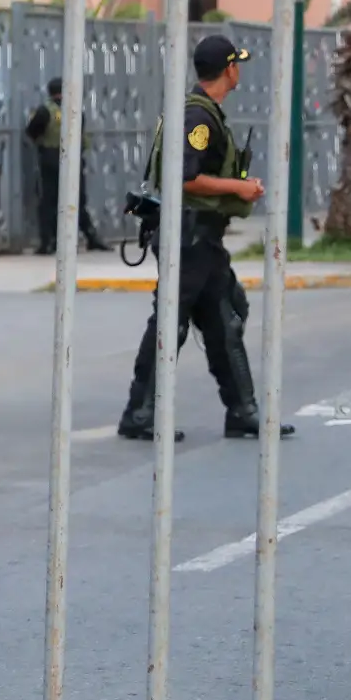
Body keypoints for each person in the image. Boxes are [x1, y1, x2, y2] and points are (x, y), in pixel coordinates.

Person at [117, 35, 293, 442]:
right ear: (229, 69)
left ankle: (243, 411)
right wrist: (238, 187)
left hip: (202, 239)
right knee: (171, 322)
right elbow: (185, 178)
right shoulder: (198, 117)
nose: (239, 70)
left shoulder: (201, 111)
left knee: (225, 318)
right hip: (188, 237)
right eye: (237, 64)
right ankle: (140, 413)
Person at [25, 76, 110, 254]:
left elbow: (32, 131)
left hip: (50, 158)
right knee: (76, 200)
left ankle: (48, 242)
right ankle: (90, 236)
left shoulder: (44, 111)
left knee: (49, 201)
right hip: (73, 159)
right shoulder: (75, 109)